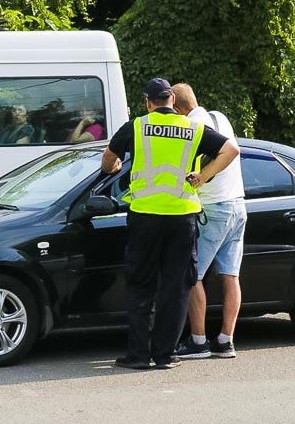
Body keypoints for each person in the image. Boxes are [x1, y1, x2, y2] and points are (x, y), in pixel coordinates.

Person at [101, 78, 239, 371]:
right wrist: (203, 175)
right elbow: (231, 150)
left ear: (148, 102)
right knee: (175, 288)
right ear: (172, 102)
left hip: (145, 217)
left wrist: (112, 166)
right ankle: (165, 355)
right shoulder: (193, 128)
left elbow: (108, 160)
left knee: (141, 287)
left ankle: (138, 355)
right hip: (181, 219)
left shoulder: (136, 127)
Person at [170, 83, 247, 360]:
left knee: (192, 276)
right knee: (230, 275)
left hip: (213, 209)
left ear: (177, 107)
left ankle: (199, 341)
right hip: (238, 205)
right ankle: (226, 341)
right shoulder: (219, 117)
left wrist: (201, 177)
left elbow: (229, 151)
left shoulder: (193, 125)